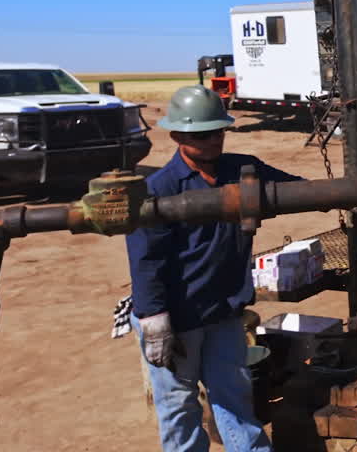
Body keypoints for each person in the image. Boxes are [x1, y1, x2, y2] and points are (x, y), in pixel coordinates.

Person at [126, 85, 300, 452]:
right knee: (178, 405)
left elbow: (300, 191)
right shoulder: (159, 189)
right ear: (176, 135)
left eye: (217, 131)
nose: (211, 141)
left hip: (222, 310)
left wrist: (350, 191)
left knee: (234, 396)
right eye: (200, 135)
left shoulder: (243, 170)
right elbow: (145, 260)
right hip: (176, 317)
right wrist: (153, 317)